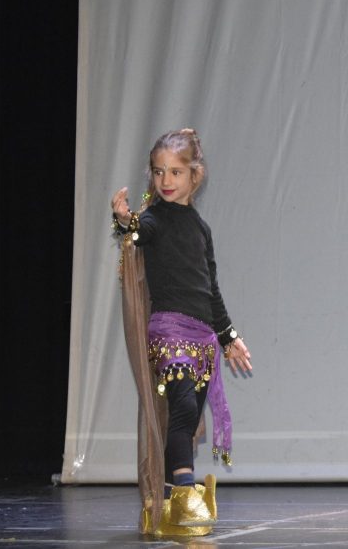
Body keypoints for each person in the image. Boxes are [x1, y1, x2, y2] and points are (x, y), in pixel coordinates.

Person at [110, 128, 252, 539]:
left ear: (195, 175)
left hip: (203, 337)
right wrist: (124, 220)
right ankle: (187, 491)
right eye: (159, 172)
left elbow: (211, 290)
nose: (166, 180)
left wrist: (229, 337)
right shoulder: (155, 219)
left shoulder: (201, 230)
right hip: (168, 330)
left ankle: (171, 501)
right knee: (184, 405)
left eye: (175, 172)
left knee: (185, 422)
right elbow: (137, 231)